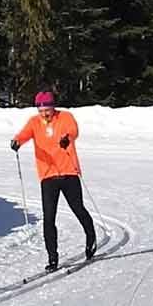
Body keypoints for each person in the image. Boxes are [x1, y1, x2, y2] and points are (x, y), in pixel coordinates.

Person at [11, 91, 96, 271]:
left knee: (78, 208)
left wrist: (67, 138)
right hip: (48, 176)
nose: (44, 114)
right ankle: (52, 257)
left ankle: (91, 238)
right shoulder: (34, 122)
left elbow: (73, 130)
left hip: (68, 172)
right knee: (49, 218)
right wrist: (17, 141)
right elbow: (25, 134)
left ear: (53, 107)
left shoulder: (65, 117)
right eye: (41, 111)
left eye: (47, 110)